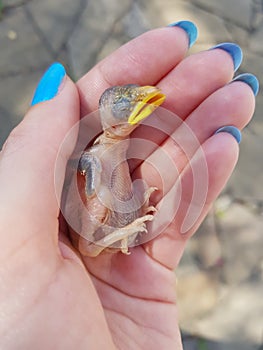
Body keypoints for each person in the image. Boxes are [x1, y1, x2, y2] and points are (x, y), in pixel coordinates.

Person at [0, 21, 258, 349]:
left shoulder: (119, 145)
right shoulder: (98, 151)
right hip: (100, 228)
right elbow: (93, 184)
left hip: (117, 220)